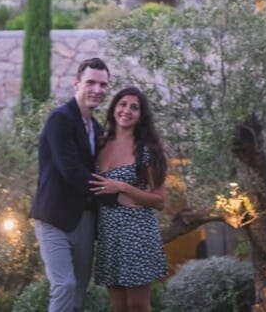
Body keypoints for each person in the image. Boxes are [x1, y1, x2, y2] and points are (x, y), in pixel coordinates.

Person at [31, 57, 111, 312]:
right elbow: (71, 171)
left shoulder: (97, 129)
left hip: (85, 220)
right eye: (91, 82)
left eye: (103, 85)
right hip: (54, 218)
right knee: (64, 285)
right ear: (76, 83)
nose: (97, 90)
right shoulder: (60, 119)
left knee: (78, 291)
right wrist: (113, 193)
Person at [90, 86, 169, 312]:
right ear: (114, 108)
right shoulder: (100, 144)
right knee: (118, 306)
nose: (127, 110)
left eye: (134, 108)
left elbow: (160, 200)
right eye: (122, 104)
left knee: (137, 305)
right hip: (109, 232)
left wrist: (123, 187)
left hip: (137, 233)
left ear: (141, 116)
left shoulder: (147, 150)